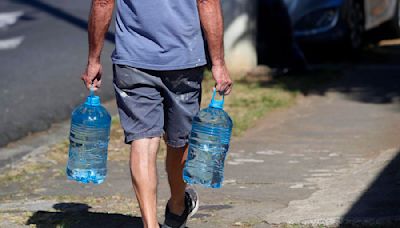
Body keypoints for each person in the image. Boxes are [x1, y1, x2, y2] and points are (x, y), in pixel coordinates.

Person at [80, 0, 233, 228]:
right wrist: (218, 63)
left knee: (143, 140)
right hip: (183, 59)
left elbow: (103, 3)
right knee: (181, 140)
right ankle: (178, 205)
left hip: (133, 61)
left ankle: (152, 223)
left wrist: (94, 58)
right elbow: (207, 2)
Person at [257, 0, 308, 76]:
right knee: (283, 44)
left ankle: (295, 67)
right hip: (277, 24)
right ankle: (290, 66)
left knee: (285, 44)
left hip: (279, 24)